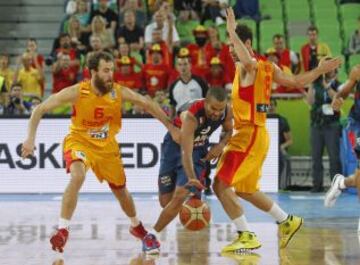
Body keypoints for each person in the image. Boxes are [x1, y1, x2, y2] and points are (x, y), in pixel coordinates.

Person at [20, 51, 180, 253]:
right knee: (77, 176)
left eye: (111, 70)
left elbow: (148, 104)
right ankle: (62, 230)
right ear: (92, 72)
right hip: (80, 142)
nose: (110, 74)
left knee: (122, 193)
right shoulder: (78, 92)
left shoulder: (118, 92)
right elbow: (39, 109)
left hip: (107, 149)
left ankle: (136, 226)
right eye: (105, 70)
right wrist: (30, 138)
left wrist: (171, 128)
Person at [212, 8, 341, 252]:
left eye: (234, 44)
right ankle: (287, 221)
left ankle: (246, 235)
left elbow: (251, 63)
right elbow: (297, 82)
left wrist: (230, 30)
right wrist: (318, 71)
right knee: (245, 190)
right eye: (229, 46)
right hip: (257, 134)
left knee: (220, 185)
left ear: (246, 43)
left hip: (248, 134)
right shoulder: (268, 67)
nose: (230, 50)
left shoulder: (248, 66)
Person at [142, 87, 233, 254]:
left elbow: (228, 130)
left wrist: (220, 145)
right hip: (174, 148)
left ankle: (150, 236)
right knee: (165, 202)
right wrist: (192, 178)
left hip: (198, 152)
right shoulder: (191, 117)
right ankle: (191, 194)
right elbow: (185, 153)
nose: (216, 113)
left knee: (179, 196)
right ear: (205, 103)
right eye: (213, 109)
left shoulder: (226, 111)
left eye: (220, 109)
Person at [324, 64, 360, 207]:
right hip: (358, 123)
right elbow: (345, 91)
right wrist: (338, 99)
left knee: (358, 177)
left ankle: (341, 183)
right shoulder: (357, 70)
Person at [305, 57, 342, 192]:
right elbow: (310, 102)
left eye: (330, 66)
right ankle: (317, 185)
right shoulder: (316, 85)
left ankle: (336, 186)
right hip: (316, 125)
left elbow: (338, 99)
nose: (328, 69)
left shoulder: (338, 84)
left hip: (332, 125)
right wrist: (310, 84)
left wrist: (328, 87)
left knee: (334, 157)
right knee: (316, 157)